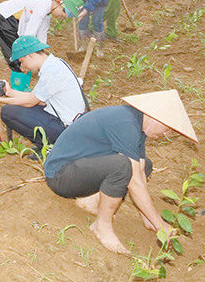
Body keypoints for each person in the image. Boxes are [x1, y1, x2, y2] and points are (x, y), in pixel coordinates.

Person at [44, 90, 198, 254]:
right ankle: (102, 226)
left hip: (77, 169)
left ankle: (90, 201)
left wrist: (149, 218)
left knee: (145, 165)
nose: (165, 135)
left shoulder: (136, 124)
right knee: (122, 166)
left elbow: (139, 171)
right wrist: (160, 225)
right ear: (154, 116)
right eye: (167, 128)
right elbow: (134, 182)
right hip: (60, 175)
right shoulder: (125, 123)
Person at [0, 36, 87, 149]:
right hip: (71, 123)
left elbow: (30, 101)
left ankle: (49, 146)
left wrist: (0, 100)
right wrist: (9, 92)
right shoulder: (55, 63)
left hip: (66, 129)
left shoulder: (51, 72)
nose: (22, 66)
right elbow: (36, 98)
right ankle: (46, 145)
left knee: (7, 112)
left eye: (22, 61)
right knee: (16, 108)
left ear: (30, 55)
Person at [0, 0, 83, 72]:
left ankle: (23, 70)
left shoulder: (47, 14)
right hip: (4, 17)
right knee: (15, 51)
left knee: (21, 54)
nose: (61, 17)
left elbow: (42, 34)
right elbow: (30, 33)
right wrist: (28, 54)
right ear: (59, 5)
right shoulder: (44, 5)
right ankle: (19, 74)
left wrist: (42, 53)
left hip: (11, 20)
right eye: (63, 14)